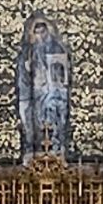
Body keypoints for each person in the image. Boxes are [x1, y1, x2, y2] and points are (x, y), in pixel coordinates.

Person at [17, 15, 71, 158]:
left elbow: (63, 69)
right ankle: (34, 148)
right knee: (36, 117)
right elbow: (23, 72)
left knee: (53, 115)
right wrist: (27, 68)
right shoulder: (29, 51)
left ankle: (57, 146)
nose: (40, 36)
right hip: (36, 90)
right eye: (37, 33)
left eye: (43, 32)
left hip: (53, 90)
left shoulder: (56, 47)